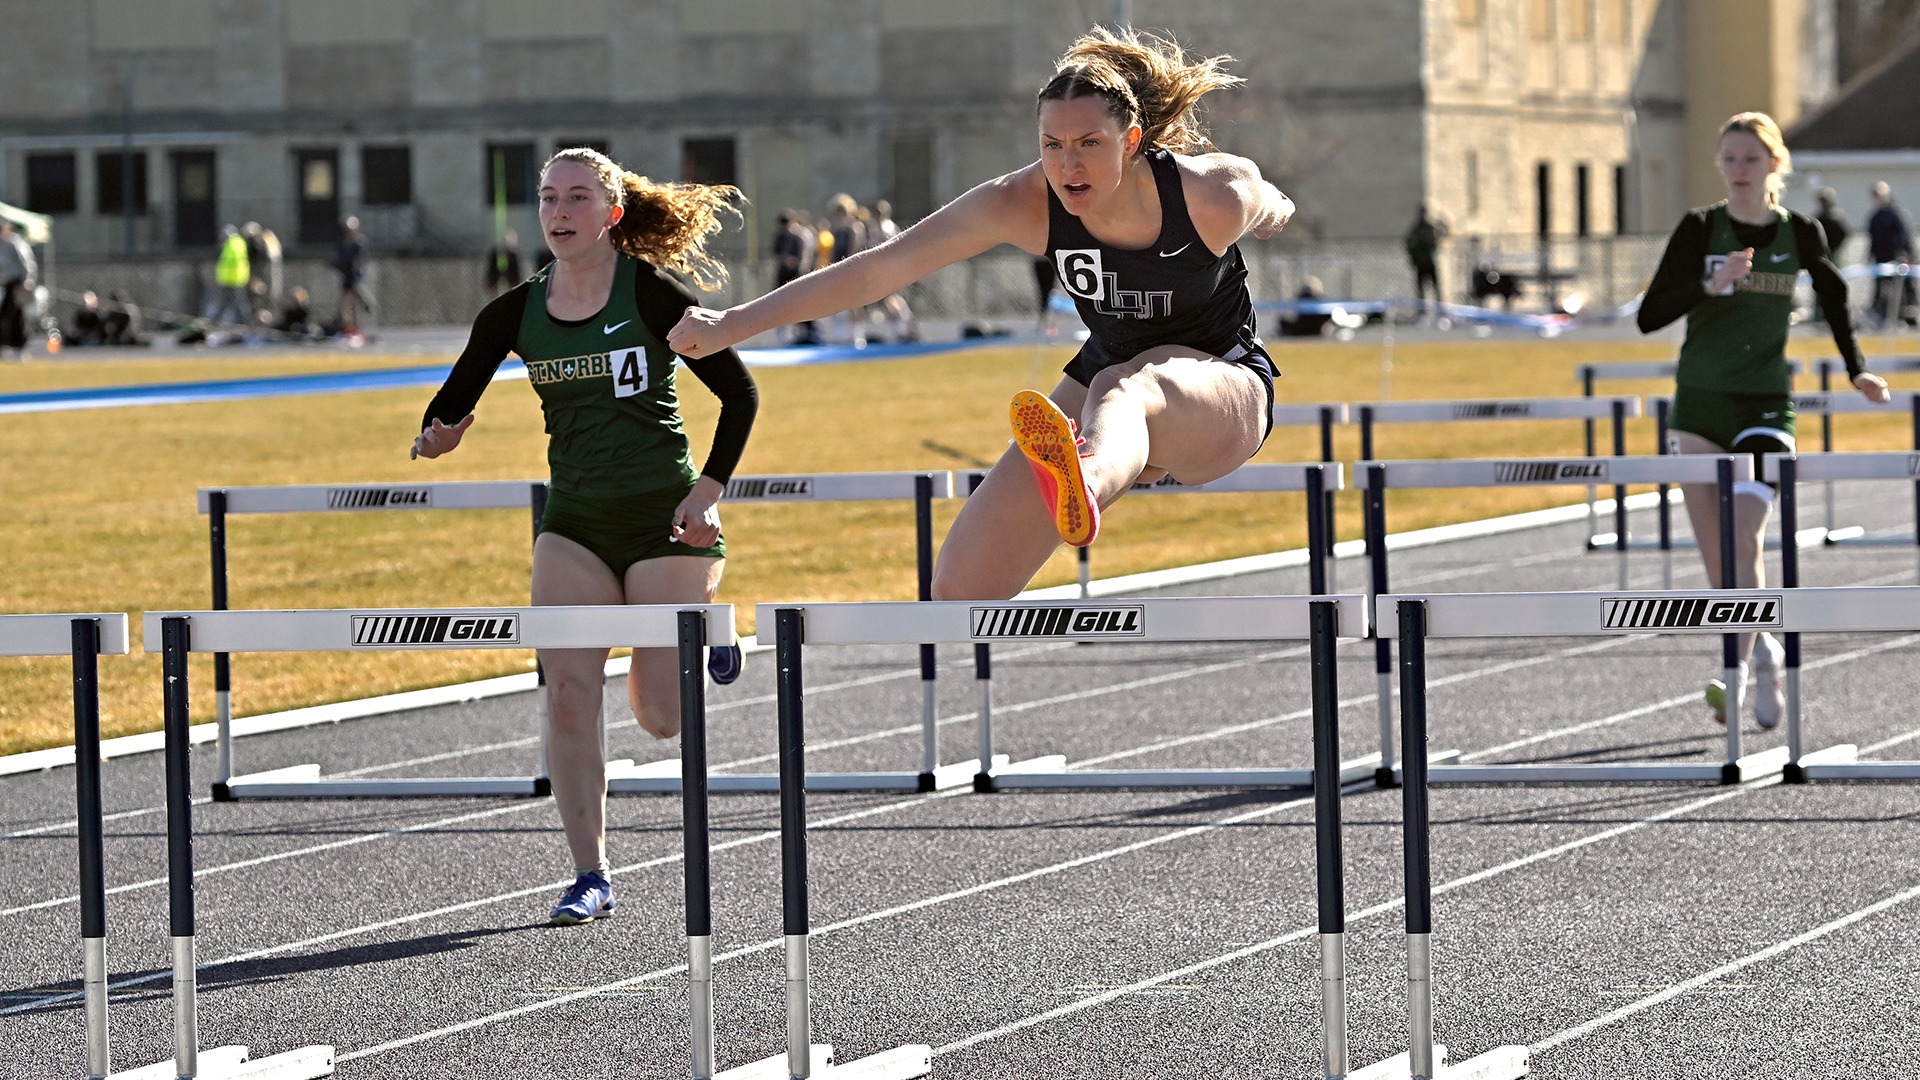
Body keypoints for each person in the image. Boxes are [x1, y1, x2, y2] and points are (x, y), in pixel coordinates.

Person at [669, 26, 1291, 600]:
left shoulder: (1210, 195)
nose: (1068, 166)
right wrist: (732, 324)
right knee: (961, 591)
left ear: (1131, 141)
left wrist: (1272, 212)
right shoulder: (1020, 201)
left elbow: (1267, 201)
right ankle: (1092, 467)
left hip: (1222, 386)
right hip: (1105, 377)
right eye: (1052, 145)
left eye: (1089, 145)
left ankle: (1088, 479)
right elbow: (877, 271)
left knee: (1125, 387)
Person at [412, 147, 758, 926]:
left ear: (611, 213)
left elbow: (739, 394)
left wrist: (707, 491)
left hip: (666, 521)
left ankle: (710, 624)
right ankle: (589, 874)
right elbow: (449, 403)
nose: (558, 212)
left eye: (576, 198)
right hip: (574, 523)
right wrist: (438, 436)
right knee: (568, 696)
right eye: (547, 198)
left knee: (662, 717)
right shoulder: (513, 313)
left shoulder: (651, 295)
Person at [1637, 112, 1889, 730]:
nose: (1739, 170)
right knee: (1720, 565)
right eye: (1729, 159)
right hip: (1700, 405)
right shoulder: (1700, 229)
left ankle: (1734, 671)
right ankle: (1766, 648)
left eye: (1750, 159)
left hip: (1766, 405)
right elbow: (1649, 315)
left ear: (1775, 164)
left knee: (1745, 537)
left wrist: (1857, 370)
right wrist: (1710, 284)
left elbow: (1835, 299)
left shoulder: (1799, 232)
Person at [1866, 181, 1916, 327]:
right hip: (1881, 258)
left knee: (1904, 287)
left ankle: (1908, 313)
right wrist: (1870, 255)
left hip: (1897, 258)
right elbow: (1872, 239)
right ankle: (1879, 313)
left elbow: (1903, 236)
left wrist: (1905, 253)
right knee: (1880, 287)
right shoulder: (1875, 217)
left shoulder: (1896, 214)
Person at [770, 211, 820, 344]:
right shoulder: (780, 237)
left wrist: (801, 269)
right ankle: (784, 332)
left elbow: (805, 255)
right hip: (783, 274)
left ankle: (805, 332)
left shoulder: (799, 236)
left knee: (800, 302)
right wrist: (785, 259)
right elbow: (776, 252)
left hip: (796, 274)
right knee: (781, 302)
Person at [0, 218, 34, 359]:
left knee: (14, 314)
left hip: (18, 282)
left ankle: (19, 346)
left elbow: (27, 262)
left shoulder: (14, 242)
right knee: (9, 315)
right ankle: (9, 345)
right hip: (6, 283)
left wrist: (28, 279)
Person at [1404, 204, 1444, 316]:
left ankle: (1439, 309)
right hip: (1420, 263)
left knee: (1436, 287)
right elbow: (1410, 244)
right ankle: (1421, 310)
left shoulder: (1429, 228)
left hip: (1429, 262)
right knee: (1421, 289)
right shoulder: (1416, 229)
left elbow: (1434, 243)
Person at [333, 216, 370, 336]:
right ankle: (347, 327)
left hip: (356, 277)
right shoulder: (344, 242)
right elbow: (342, 258)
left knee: (357, 303)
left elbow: (359, 260)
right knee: (344, 304)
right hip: (347, 276)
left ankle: (359, 328)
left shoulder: (359, 242)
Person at [209, 225, 251, 326]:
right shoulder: (236, 243)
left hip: (232, 279)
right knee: (232, 303)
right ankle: (217, 321)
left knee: (236, 303)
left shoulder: (233, 243)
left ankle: (244, 322)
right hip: (233, 278)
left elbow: (230, 262)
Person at [485, 229, 524, 297]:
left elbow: (517, 273)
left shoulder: (514, 255)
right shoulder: (496, 253)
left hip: (511, 282)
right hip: (497, 282)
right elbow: (491, 271)